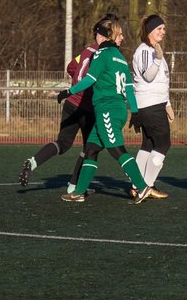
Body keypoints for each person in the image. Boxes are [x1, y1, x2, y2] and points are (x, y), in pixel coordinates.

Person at [56, 15, 154, 204]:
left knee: (117, 149)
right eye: (121, 35)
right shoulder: (121, 59)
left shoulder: (101, 54)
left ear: (104, 36)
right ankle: (79, 192)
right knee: (91, 149)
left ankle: (142, 187)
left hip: (106, 109)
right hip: (118, 109)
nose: (123, 38)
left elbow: (90, 79)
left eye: (99, 35)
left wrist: (69, 91)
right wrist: (135, 112)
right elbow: (128, 89)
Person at [18, 15, 114, 193]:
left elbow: (71, 67)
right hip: (87, 108)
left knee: (62, 143)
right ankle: (74, 186)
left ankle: (33, 162)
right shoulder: (104, 54)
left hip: (71, 103)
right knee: (90, 148)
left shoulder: (86, 51)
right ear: (102, 37)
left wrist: (76, 80)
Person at [129, 14, 173, 199]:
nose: (163, 31)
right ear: (149, 31)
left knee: (148, 144)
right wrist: (157, 58)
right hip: (150, 105)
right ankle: (145, 186)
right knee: (163, 144)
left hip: (154, 104)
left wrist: (168, 104)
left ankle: (135, 185)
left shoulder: (155, 50)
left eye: (163, 28)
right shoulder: (146, 51)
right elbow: (148, 76)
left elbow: (162, 81)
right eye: (159, 29)